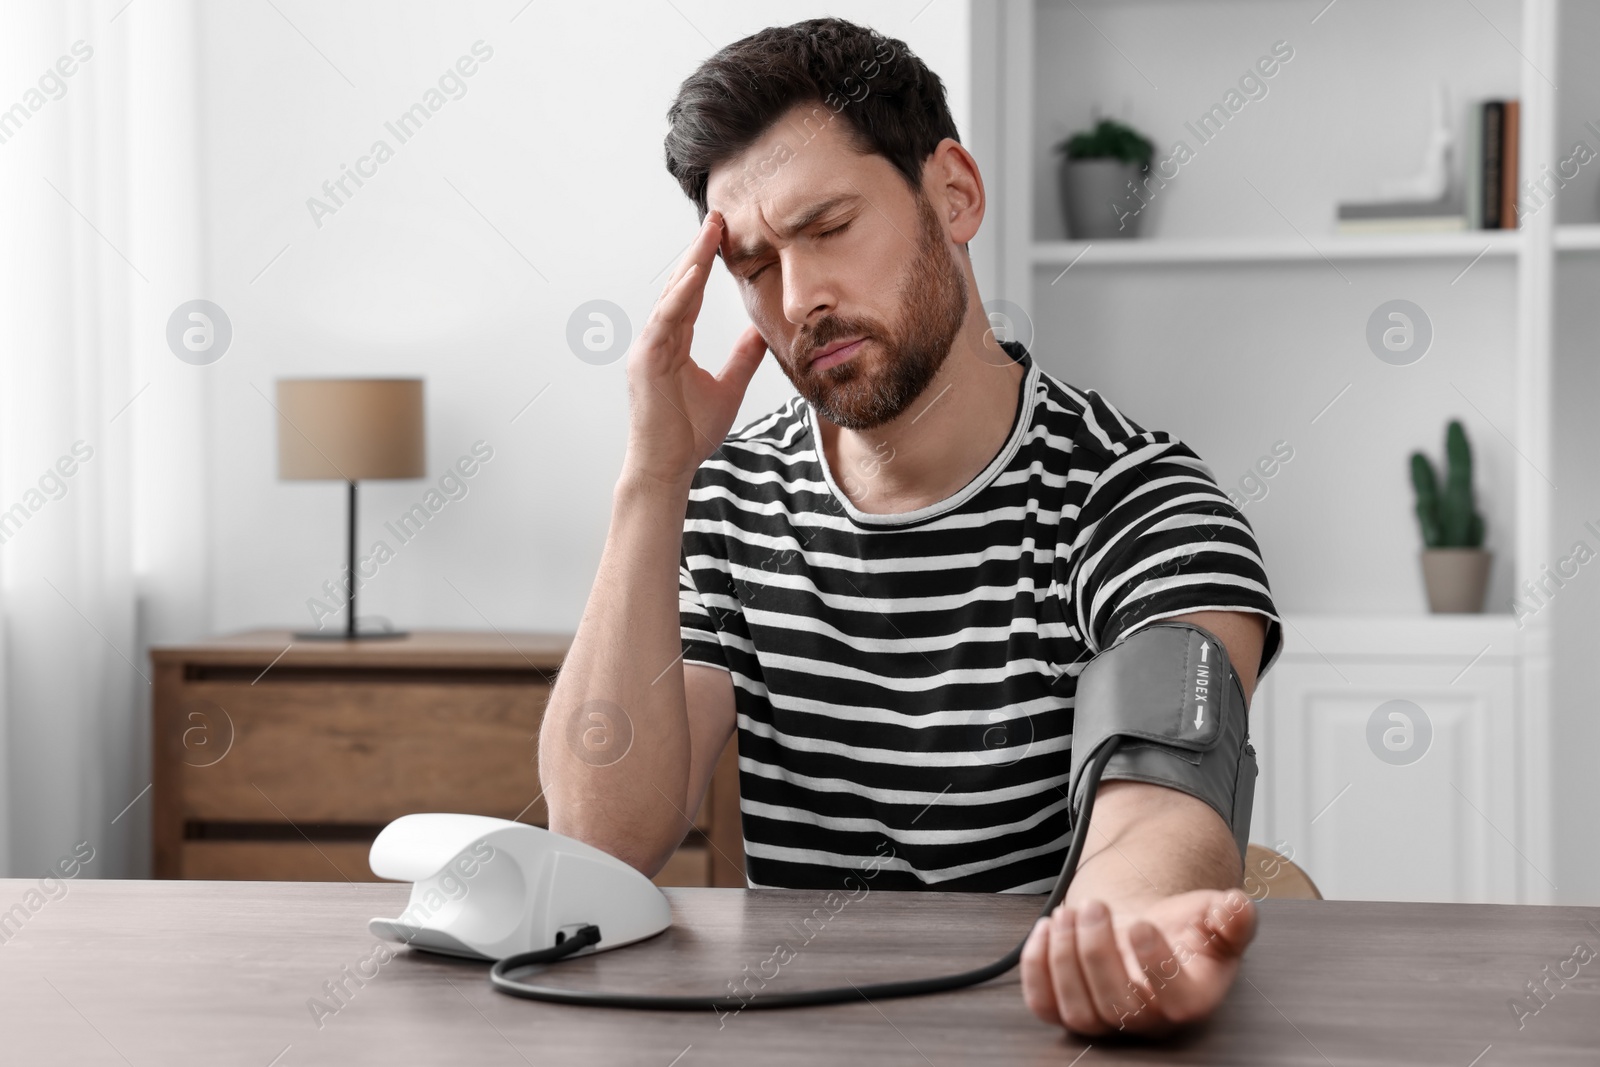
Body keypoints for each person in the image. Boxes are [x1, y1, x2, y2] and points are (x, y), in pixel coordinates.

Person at [539, 16, 1284, 1037]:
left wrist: (1123, 932)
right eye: (753, 265)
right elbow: (600, 838)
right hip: (797, 1034)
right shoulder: (726, 500)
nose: (798, 298)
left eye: (828, 226)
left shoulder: (1137, 504)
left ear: (954, 193)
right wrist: (652, 478)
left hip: (1033, 1029)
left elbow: (1159, 804)